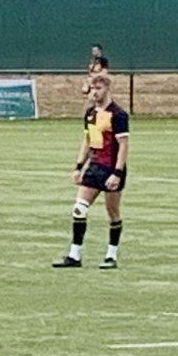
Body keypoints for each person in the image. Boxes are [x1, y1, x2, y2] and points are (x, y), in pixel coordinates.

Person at [53, 73, 129, 269]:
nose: (94, 93)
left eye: (98, 89)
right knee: (79, 209)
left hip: (111, 169)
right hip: (94, 168)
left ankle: (111, 255)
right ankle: (74, 255)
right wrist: (79, 166)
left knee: (112, 212)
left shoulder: (118, 115)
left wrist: (117, 173)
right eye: (92, 89)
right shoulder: (90, 113)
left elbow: (123, 145)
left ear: (107, 89)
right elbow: (88, 141)